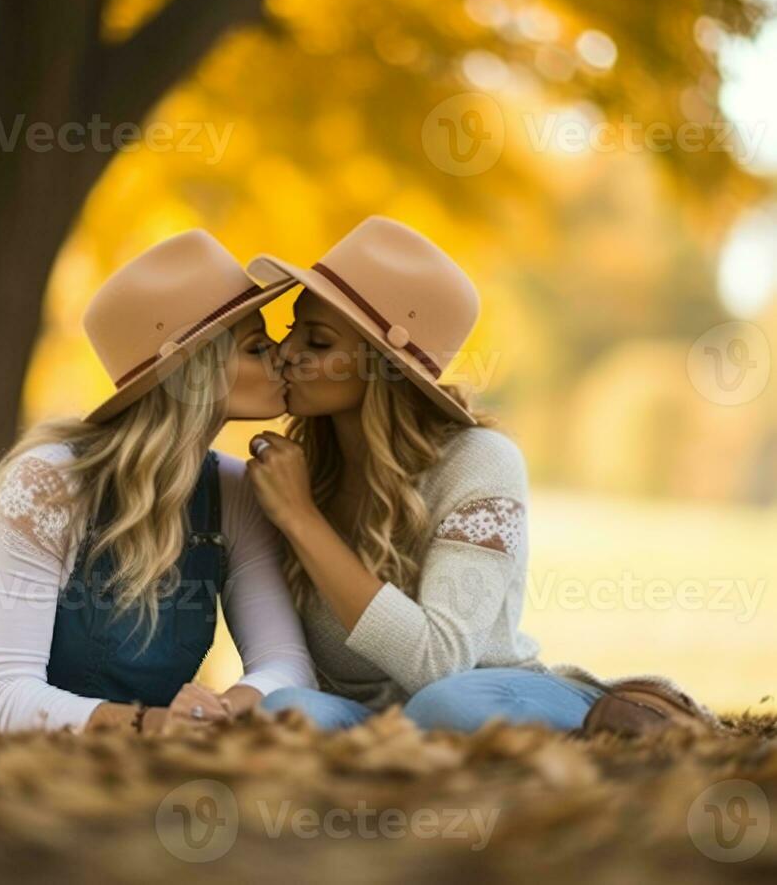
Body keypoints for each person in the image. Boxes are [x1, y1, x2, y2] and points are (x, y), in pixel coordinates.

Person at [244, 216, 717, 734]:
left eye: (317, 343)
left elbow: (438, 662)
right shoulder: (295, 470)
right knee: (284, 712)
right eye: (292, 330)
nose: (286, 353)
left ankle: (601, 718)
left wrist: (302, 520)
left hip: (486, 690)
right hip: (371, 718)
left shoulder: (480, 460)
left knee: (445, 705)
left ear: (387, 368)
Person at [0, 230, 315, 734]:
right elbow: (5, 695)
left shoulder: (233, 491)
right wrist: (150, 724)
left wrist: (223, 710)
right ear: (192, 372)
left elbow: (288, 666)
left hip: (112, 778)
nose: (282, 357)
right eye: (256, 346)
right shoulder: (48, 484)